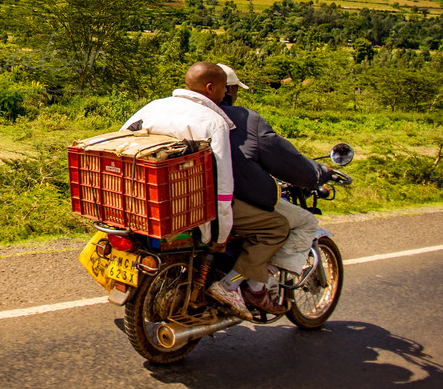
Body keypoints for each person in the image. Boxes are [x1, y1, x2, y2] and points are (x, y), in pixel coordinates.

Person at [120, 62, 289, 320]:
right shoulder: (214, 121)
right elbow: (222, 187)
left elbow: (123, 143)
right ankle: (243, 288)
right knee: (276, 226)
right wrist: (218, 237)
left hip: (147, 198)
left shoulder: (153, 106)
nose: (225, 97)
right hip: (191, 203)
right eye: (223, 90)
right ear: (211, 88)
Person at [217, 63, 334, 313]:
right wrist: (318, 173)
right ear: (225, 89)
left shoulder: (188, 115)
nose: (236, 94)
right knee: (300, 223)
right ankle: (256, 284)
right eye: (235, 89)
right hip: (233, 200)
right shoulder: (244, 120)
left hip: (200, 198)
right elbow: (286, 160)